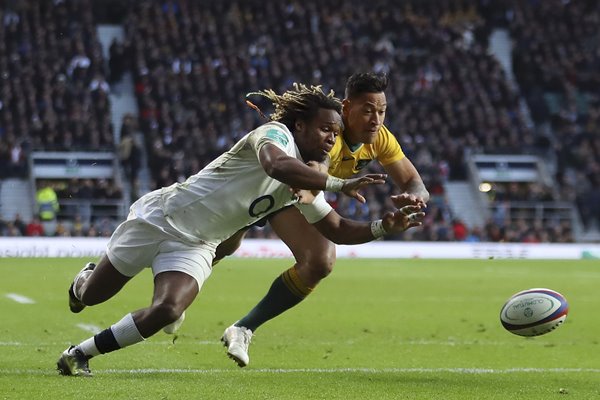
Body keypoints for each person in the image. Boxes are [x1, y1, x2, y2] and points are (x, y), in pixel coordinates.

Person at [56, 83, 424, 377]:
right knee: (91, 297)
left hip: (198, 243)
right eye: (326, 129)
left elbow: (339, 229)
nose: (332, 138)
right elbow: (276, 165)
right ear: (300, 126)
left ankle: (79, 354)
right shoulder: (274, 134)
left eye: (335, 133)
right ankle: (81, 282)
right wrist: (338, 184)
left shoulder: (304, 186)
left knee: (168, 309)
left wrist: (383, 227)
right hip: (160, 219)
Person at [216, 72, 430, 367]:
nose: (375, 119)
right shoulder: (332, 134)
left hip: (294, 197)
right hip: (265, 185)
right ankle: (174, 300)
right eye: (367, 109)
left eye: (381, 111)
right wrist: (315, 181)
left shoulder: (379, 138)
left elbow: (414, 182)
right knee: (218, 249)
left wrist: (415, 197)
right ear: (346, 107)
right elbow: (320, 163)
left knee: (320, 261)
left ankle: (243, 327)